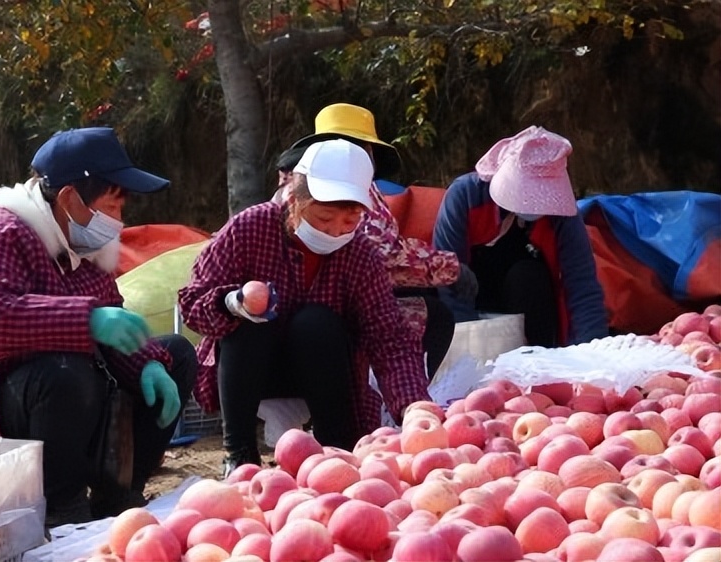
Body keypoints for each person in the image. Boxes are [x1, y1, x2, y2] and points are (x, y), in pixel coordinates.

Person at [0, 127, 196, 526]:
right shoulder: (2, 233)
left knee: (174, 354)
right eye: (113, 205)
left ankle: (120, 492)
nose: (118, 221)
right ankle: (60, 507)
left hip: (67, 400)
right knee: (65, 371)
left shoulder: (86, 248)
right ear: (71, 198)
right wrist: (85, 321)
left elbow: (115, 327)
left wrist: (147, 365)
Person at [179, 139, 430, 477]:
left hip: (323, 372)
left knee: (317, 322)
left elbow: (388, 338)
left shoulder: (359, 255)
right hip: (250, 372)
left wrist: (414, 408)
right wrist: (233, 302)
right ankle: (239, 454)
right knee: (253, 318)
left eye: (349, 221)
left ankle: (336, 450)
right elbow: (193, 299)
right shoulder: (249, 228)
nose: (335, 231)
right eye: (324, 218)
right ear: (295, 200)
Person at [278, 103, 470, 379]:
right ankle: (399, 398)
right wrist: (451, 269)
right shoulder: (354, 188)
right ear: (365, 152)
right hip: (332, 307)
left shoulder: (293, 185)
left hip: (296, 305)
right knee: (434, 316)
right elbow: (384, 258)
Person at [434, 126, 608, 346]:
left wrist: (597, 353)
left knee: (527, 276)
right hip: (472, 298)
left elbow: (583, 285)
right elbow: (448, 274)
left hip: (530, 305)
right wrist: (465, 348)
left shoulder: (563, 217)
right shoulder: (464, 197)